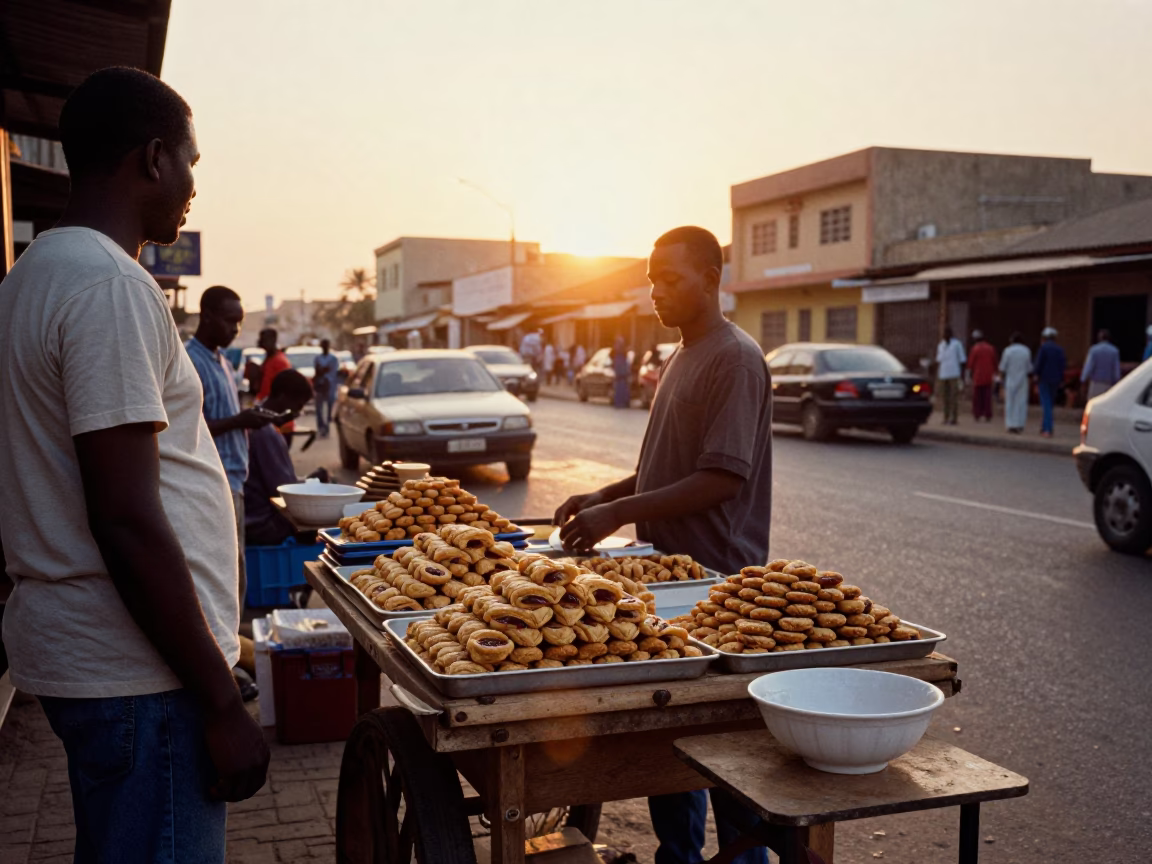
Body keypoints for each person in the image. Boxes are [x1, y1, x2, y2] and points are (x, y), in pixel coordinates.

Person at [0, 67, 268, 863]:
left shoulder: (31, 278)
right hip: (140, 679)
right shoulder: (106, 286)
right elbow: (123, 514)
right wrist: (220, 702)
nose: (192, 187)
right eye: (190, 163)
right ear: (154, 157)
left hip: (103, 666)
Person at [554, 226, 772, 864]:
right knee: (672, 746)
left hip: (719, 584)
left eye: (671, 278)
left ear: (711, 278)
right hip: (666, 582)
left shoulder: (734, 357)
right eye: (651, 278)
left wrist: (619, 511)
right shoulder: (682, 353)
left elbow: (720, 477)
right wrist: (602, 498)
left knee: (730, 758)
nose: (656, 291)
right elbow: (668, 467)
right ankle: (676, 856)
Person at [186, 285, 278, 605]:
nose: (234, 330)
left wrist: (250, 418)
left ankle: (232, 643)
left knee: (235, 569)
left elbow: (224, 415)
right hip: (211, 485)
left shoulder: (222, 361)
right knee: (220, 573)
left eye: (239, 322)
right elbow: (186, 428)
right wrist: (239, 421)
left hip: (234, 481)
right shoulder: (190, 363)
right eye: (229, 321)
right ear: (206, 316)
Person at [244, 371, 327, 547]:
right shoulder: (265, 433)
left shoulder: (258, 424)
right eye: (298, 405)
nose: (298, 412)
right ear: (283, 398)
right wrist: (314, 481)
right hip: (262, 523)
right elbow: (284, 492)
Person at [1033, 327, 1067, 438]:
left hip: (1044, 379)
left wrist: (1036, 375)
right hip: (1056, 380)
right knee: (1050, 404)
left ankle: (1047, 429)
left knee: (1046, 404)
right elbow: (1063, 366)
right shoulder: (1059, 349)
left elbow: (1039, 364)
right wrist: (1062, 379)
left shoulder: (1044, 348)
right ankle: (1045, 427)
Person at [999, 332, 1032, 434]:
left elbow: (1002, 367)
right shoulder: (1026, 351)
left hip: (1010, 379)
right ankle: (1019, 424)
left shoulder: (1008, 351)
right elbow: (1029, 368)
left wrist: (1001, 381)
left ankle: (1010, 425)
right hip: (1022, 381)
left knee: (1010, 403)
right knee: (1021, 403)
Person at [935, 326, 966, 425]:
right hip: (943, 374)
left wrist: (962, 375)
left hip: (954, 373)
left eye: (947, 334)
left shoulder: (957, 344)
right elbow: (939, 360)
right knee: (945, 397)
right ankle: (946, 417)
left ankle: (954, 418)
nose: (945, 336)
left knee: (953, 397)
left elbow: (962, 360)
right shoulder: (941, 345)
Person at [1081, 329, 1122, 400]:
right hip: (1108, 382)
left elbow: (1089, 366)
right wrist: (1117, 380)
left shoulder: (1094, 350)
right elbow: (1116, 368)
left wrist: (1083, 379)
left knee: (1093, 401)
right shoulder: (1114, 351)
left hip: (1096, 382)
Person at [312, 339, 341, 438]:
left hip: (330, 386)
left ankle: (327, 427)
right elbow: (317, 370)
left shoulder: (333, 358)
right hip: (320, 385)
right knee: (319, 408)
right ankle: (321, 427)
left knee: (329, 408)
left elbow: (329, 369)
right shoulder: (318, 358)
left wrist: (322, 370)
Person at [967, 330, 996, 422]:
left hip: (978, 376)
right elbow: (994, 361)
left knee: (977, 397)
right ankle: (988, 414)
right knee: (987, 397)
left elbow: (971, 363)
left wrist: (968, 374)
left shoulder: (975, 349)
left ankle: (977, 414)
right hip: (988, 375)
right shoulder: (990, 348)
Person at [255, 327, 291, 402]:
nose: (262, 343)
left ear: (273, 340)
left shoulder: (279, 361)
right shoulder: (269, 359)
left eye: (265, 340)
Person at [611, 335, 631, 408]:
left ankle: (622, 402)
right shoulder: (618, 356)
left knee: (622, 389)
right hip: (620, 376)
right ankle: (620, 402)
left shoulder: (622, 355)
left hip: (622, 377)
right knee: (620, 389)